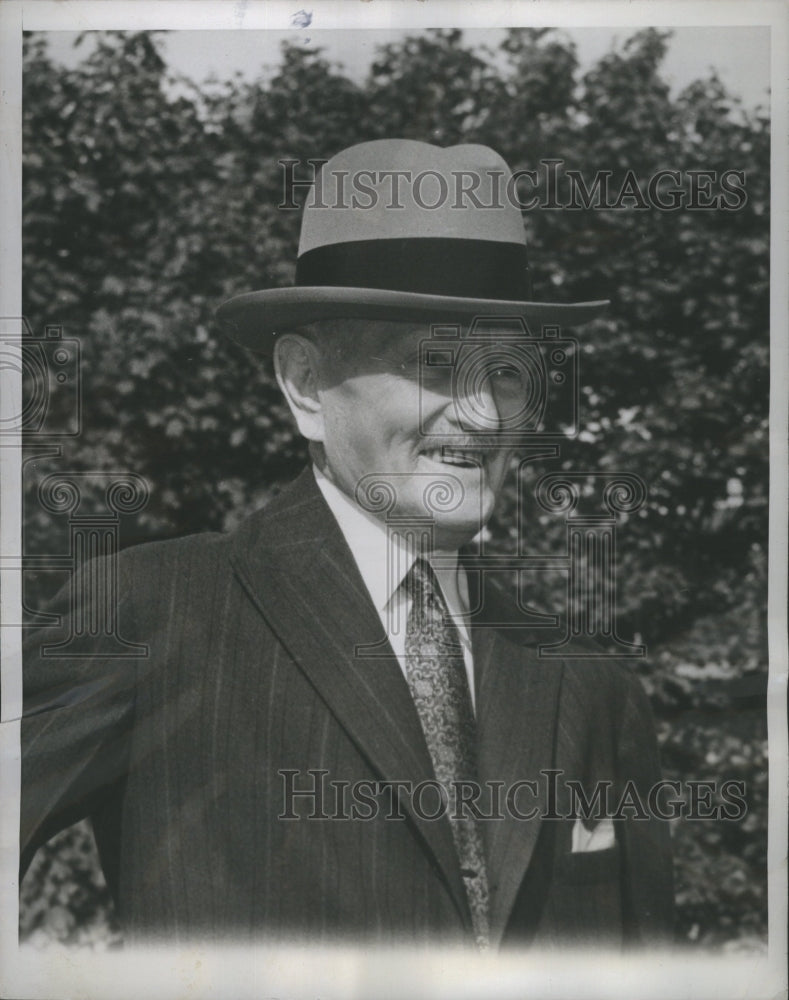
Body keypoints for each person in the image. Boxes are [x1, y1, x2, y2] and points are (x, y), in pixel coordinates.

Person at [21, 139, 673, 950]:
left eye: (506, 371)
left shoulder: (586, 681)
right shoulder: (152, 613)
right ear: (303, 384)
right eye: (434, 364)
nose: (482, 415)